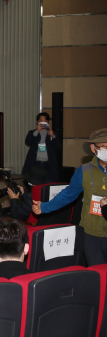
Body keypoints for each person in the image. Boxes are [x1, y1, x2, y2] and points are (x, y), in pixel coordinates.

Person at [33, 128, 107, 265]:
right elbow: (68, 195)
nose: (106, 150)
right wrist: (44, 207)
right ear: (93, 148)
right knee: (97, 272)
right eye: (102, 146)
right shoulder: (84, 171)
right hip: (91, 234)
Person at [21, 112, 60, 183]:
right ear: (37, 122)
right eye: (41, 121)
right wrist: (37, 131)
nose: (43, 123)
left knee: (48, 184)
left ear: (48, 122)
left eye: (45, 121)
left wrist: (53, 136)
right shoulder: (32, 132)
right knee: (34, 183)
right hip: (35, 164)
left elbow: (58, 146)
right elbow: (28, 142)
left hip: (48, 164)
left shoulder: (52, 133)